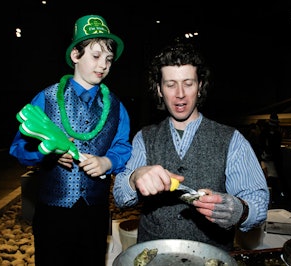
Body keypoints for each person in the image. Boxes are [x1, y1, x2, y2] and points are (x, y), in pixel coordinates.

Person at [113, 42, 269, 251]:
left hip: (210, 257)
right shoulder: (144, 137)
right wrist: (134, 177)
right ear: (159, 89)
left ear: (200, 86)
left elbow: (257, 201)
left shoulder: (232, 139)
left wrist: (240, 209)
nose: (180, 94)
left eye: (188, 83)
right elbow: (120, 197)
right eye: (170, 84)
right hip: (152, 255)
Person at [9, 15, 132, 266]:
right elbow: (18, 147)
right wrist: (46, 153)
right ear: (75, 54)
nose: (103, 65)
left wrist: (107, 162)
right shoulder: (47, 98)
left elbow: (123, 147)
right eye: (96, 56)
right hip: (52, 211)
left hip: (95, 213)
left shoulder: (117, 106)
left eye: (108, 59)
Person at [258, 113, 288, 204]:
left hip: (273, 159)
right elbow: (262, 145)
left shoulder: (276, 134)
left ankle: (274, 197)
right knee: (267, 178)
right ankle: (268, 197)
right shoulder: (265, 133)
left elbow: (275, 148)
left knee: (273, 178)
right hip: (266, 159)